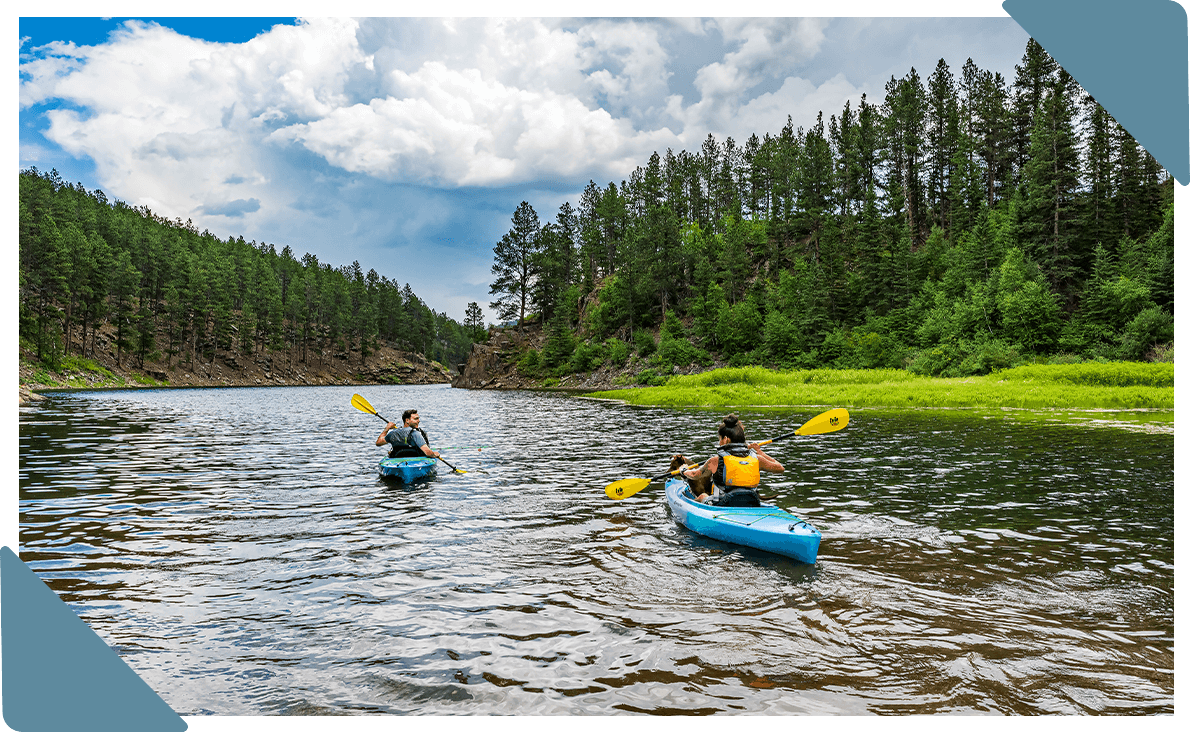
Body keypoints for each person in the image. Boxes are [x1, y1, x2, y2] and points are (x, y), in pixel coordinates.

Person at [672, 413, 783, 506]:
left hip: (725, 504)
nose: (719, 442)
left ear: (725, 440)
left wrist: (684, 470)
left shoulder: (715, 460)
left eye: (720, 439)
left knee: (703, 496)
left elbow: (695, 474)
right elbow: (780, 468)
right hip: (752, 501)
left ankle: (689, 510)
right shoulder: (756, 458)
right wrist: (759, 452)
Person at [376, 409, 441, 460]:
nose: (418, 421)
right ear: (407, 420)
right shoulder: (416, 434)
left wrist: (387, 428)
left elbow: (378, 442)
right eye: (416, 419)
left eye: (418, 418)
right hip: (416, 461)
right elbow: (428, 453)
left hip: (397, 460)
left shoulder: (393, 433)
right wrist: (435, 454)